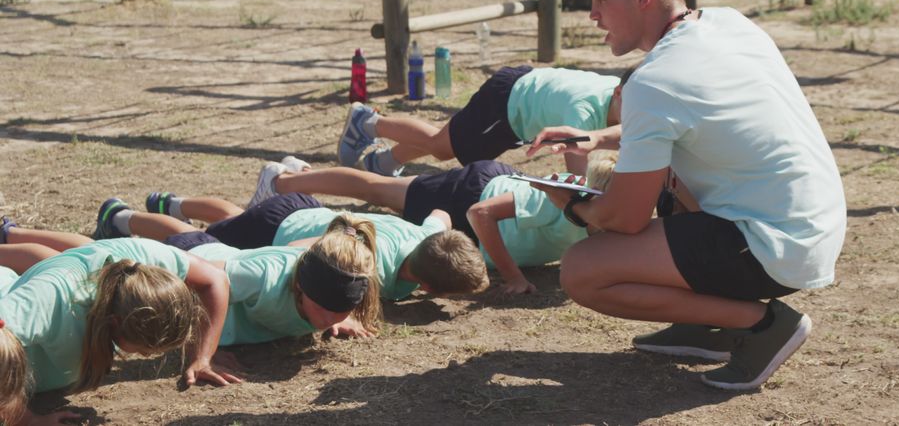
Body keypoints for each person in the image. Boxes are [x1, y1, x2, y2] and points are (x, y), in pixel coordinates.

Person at [526, 0, 847, 391]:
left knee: (582, 270)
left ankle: (760, 325)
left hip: (773, 246)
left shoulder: (654, 81)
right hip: (811, 224)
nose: (593, 15)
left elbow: (624, 218)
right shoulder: (727, 23)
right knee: (670, 175)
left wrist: (573, 204)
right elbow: (690, 120)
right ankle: (704, 327)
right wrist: (596, 138)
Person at [247, 154, 616, 294]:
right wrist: (513, 275)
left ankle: (300, 176)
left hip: (481, 217)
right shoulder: (553, 199)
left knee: (386, 219)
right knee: (381, 191)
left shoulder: (617, 216)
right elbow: (481, 213)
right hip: (471, 195)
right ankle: (282, 181)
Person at [0, 220, 237, 423]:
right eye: (145, 351)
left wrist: (203, 357)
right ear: (114, 323)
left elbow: (214, 280)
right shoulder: (53, 300)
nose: (146, 357)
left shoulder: (145, 269)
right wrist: (25, 419)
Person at [92, 197, 387, 340]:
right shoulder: (261, 276)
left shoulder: (335, 276)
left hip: (224, 251)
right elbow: (199, 286)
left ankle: (122, 216)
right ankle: (119, 217)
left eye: (342, 308)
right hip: (193, 258)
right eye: (324, 307)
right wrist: (205, 349)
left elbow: (305, 249)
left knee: (185, 230)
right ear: (299, 285)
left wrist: (336, 315)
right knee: (172, 237)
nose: (328, 317)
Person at [140, 190, 488, 302]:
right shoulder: (369, 266)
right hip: (278, 227)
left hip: (304, 210)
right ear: (426, 287)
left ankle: (171, 202)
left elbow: (440, 214)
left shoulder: (428, 240)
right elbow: (302, 249)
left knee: (227, 222)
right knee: (191, 240)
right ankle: (123, 217)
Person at [336, 66, 626, 177]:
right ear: (618, 92)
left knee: (452, 143)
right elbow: (576, 179)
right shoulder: (583, 112)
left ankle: (385, 163)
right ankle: (368, 122)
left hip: (519, 103)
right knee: (442, 146)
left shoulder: (621, 91)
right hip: (507, 104)